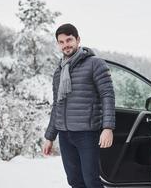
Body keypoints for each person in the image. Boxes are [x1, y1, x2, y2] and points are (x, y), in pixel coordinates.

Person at [43, 23, 115, 188]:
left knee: (91, 181)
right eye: (61, 42)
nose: (66, 45)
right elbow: (57, 106)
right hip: (65, 134)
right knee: (74, 181)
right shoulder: (59, 71)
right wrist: (50, 137)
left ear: (78, 40)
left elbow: (107, 95)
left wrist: (108, 127)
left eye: (69, 40)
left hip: (87, 133)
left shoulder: (95, 64)